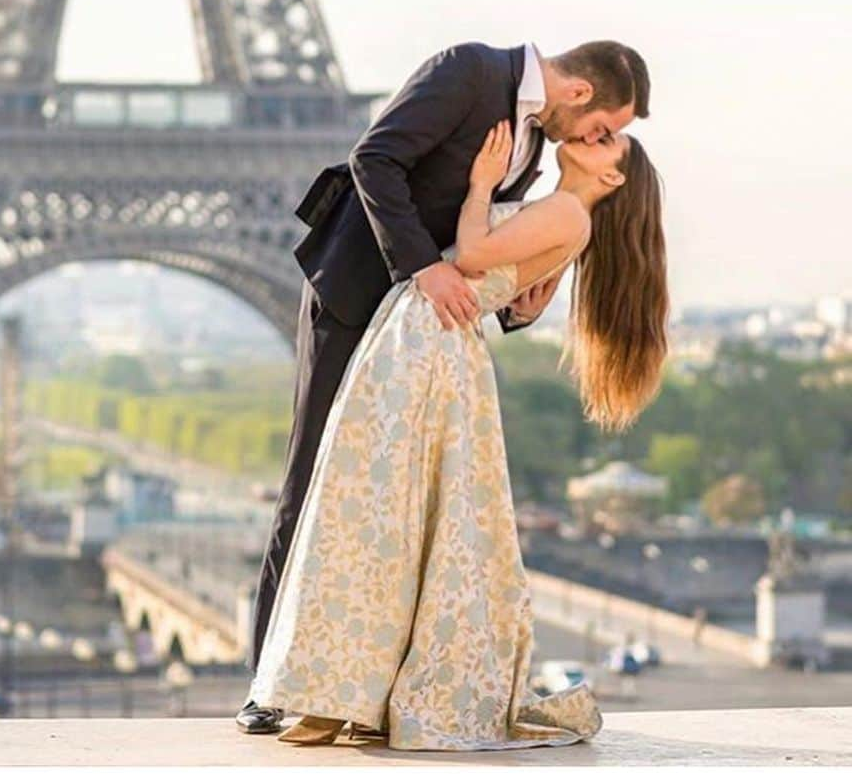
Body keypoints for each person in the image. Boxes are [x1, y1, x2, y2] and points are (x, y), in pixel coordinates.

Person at [236, 38, 650, 734]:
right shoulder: (469, 71)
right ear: (581, 94)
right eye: (606, 128)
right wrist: (424, 266)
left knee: (390, 515)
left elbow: (490, 251)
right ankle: (269, 685)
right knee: (311, 484)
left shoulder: (534, 148)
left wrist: (518, 294)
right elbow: (374, 158)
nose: (598, 139)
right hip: (359, 294)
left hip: (422, 331)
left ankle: (358, 684)